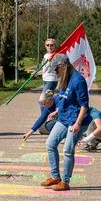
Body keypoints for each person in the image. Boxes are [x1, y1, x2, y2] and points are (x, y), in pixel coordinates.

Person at [41, 54, 89, 191]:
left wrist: (77, 124)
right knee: (50, 144)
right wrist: (56, 112)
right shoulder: (65, 79)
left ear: (63, 66)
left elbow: (84, 105)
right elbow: (64, 98)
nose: (55, 73)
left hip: (75, 120)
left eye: (56, 69)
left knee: (68, 149)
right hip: (64, 118)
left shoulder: (78, 81)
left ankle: (65, 182)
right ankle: (55, 177)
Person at [36, 37, 59, 127]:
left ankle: (46, 120)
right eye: (47, 45)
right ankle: (52, 121)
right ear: (45, 46)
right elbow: (44, 69)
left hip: (51, 81)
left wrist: (52, 63)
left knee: (42, 101)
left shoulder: (57, 55)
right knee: (48, 101)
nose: (50, 46)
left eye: (52, 45)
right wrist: (36, 73)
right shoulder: (46, 55)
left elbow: (58, 68)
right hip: (45, 80)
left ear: (55, 46)